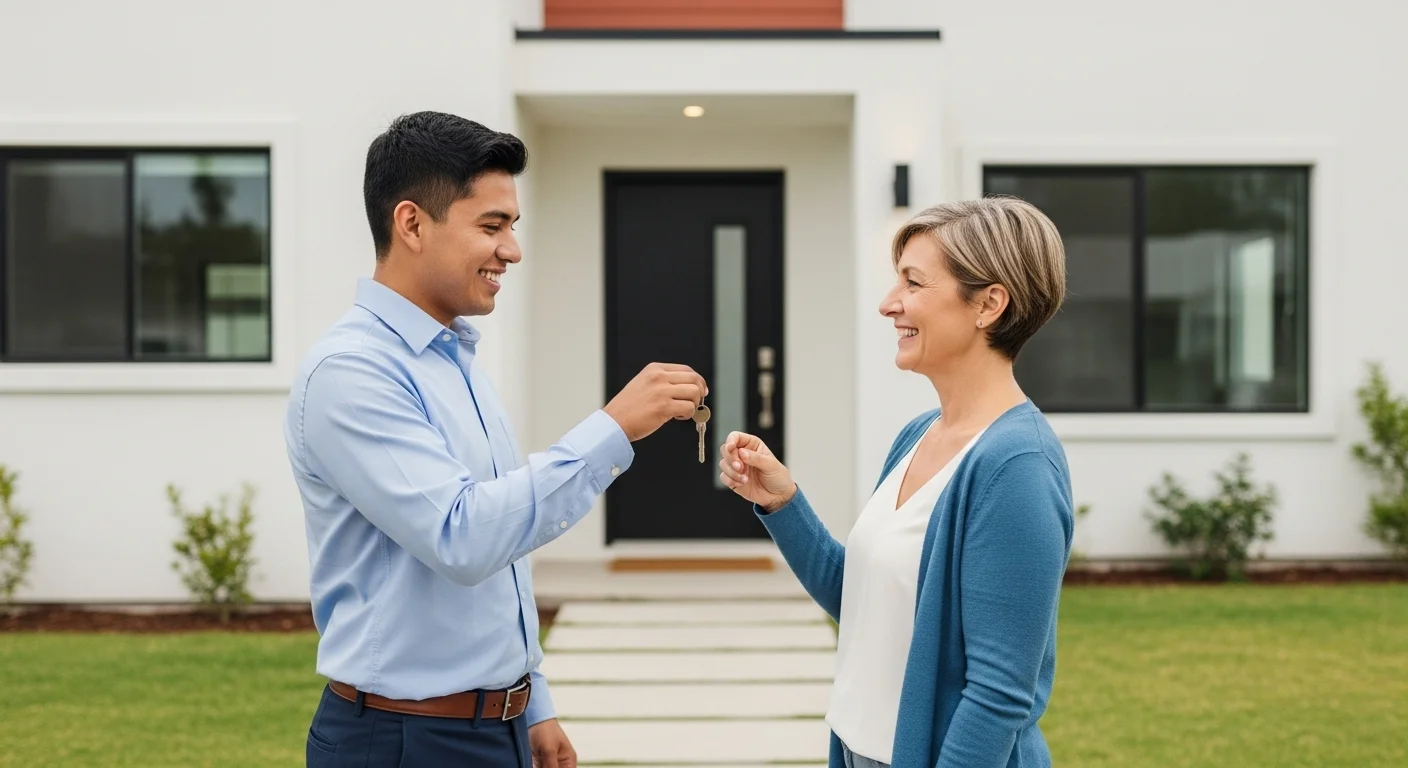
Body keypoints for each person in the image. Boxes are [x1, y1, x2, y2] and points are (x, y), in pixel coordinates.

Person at [283, 111, 707, 767]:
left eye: (512, 226)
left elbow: (504, 551)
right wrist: (614, 427)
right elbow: (463, 536)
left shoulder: (452, 359)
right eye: (492, 226)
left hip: (492, 730)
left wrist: (531, 701)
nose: (512, 249)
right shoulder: (352, 373)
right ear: (412, 224)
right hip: (402, 742)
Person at [719, 197, 1073, 768]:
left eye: (913, 283)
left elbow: (998, 695)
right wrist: (783, 503)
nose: (889, 304)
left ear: (989, 304)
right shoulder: (918, 434)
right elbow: (861, 599)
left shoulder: (1017, 467)